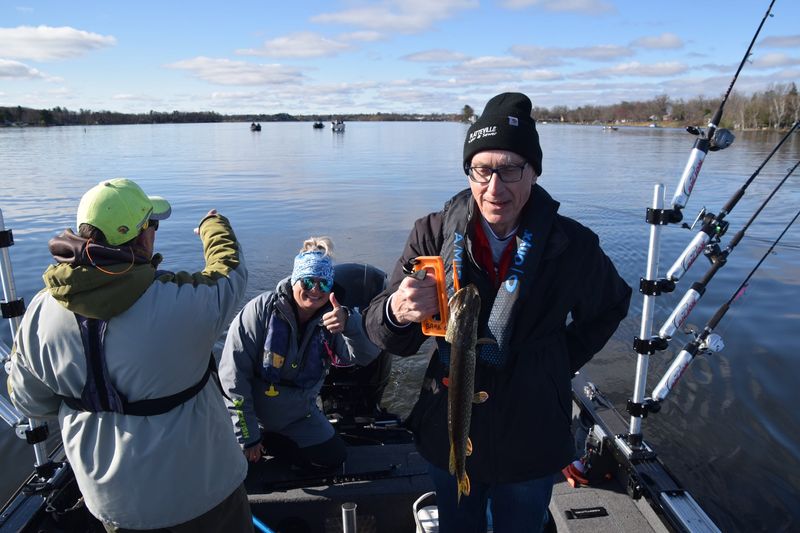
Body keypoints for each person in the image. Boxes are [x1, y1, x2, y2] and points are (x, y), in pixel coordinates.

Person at [363, 93, 632, 533]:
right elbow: (382, 330)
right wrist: (398, 310)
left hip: (532, 435)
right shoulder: (431, 233)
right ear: (469, 170)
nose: (494, 187)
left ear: (534, 171)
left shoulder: (574, 245)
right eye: (482, 169)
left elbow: (611, 306)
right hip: (447, 425)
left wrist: (557, 361)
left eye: (510, 169)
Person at [7, 178, 253, 532]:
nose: (154, 232)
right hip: (204, 494)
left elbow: (30, 402)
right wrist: (215, 226)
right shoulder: (183, 302)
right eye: (152, 224)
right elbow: (229, 270)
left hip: (114, 506)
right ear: (141, 237)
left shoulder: (40, 311)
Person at [219, 236, 380, 470]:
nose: (315, 290)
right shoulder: (258, 312)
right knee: (238, 469)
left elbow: (366, 357)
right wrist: (248, 436)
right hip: (254, 416)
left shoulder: (334, 318)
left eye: (323, 284)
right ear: (294, 280)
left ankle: (274, 444)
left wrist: (350, 324)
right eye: (307, 282)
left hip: (298, 417)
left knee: (334, 458)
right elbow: (233, 379)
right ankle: (259, 440)